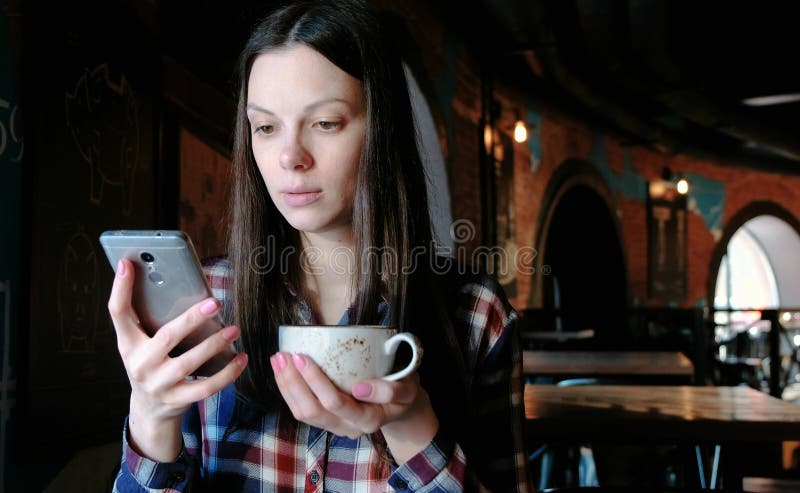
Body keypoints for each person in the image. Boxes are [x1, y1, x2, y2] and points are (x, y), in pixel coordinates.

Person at [109, 0, 530, 491]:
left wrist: (409, 424)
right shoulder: (209, 302)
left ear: (382, 129)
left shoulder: (475, 313)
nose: (290, 156)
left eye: (326, 123)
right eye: (265, 127)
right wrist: (151, 417)